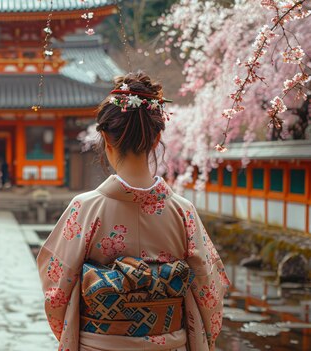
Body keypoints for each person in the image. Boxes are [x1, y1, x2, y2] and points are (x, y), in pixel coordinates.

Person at [37, 72, 229, 351]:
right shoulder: (183, 212)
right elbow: (210, 293)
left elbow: (56, 294)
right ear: (157, 138)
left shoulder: (85, 209)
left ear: (105, 137)